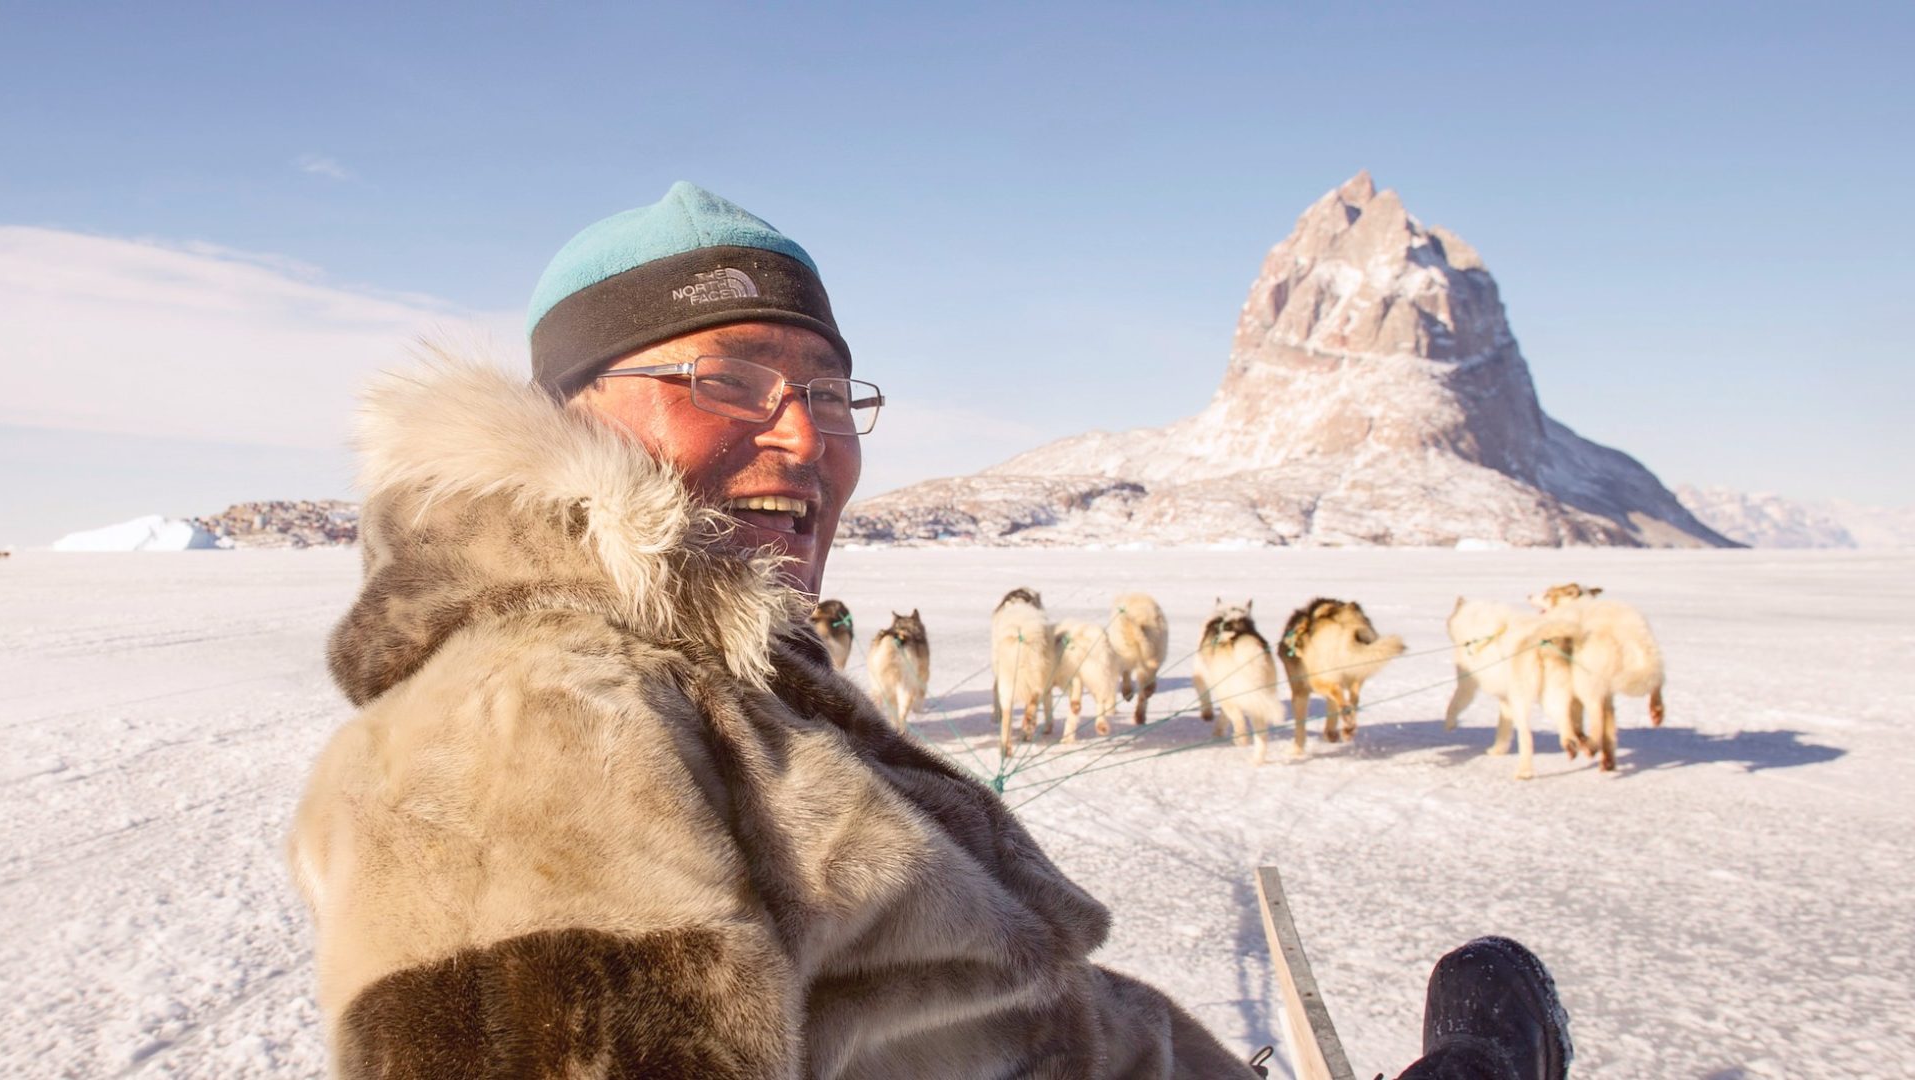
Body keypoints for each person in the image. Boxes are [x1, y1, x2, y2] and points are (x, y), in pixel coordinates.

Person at [287, 182, 1570, 1080]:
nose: (803, 436)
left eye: (830, 388)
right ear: (566, 414)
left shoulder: (708, 676)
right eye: (726, 378)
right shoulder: (533, 731)